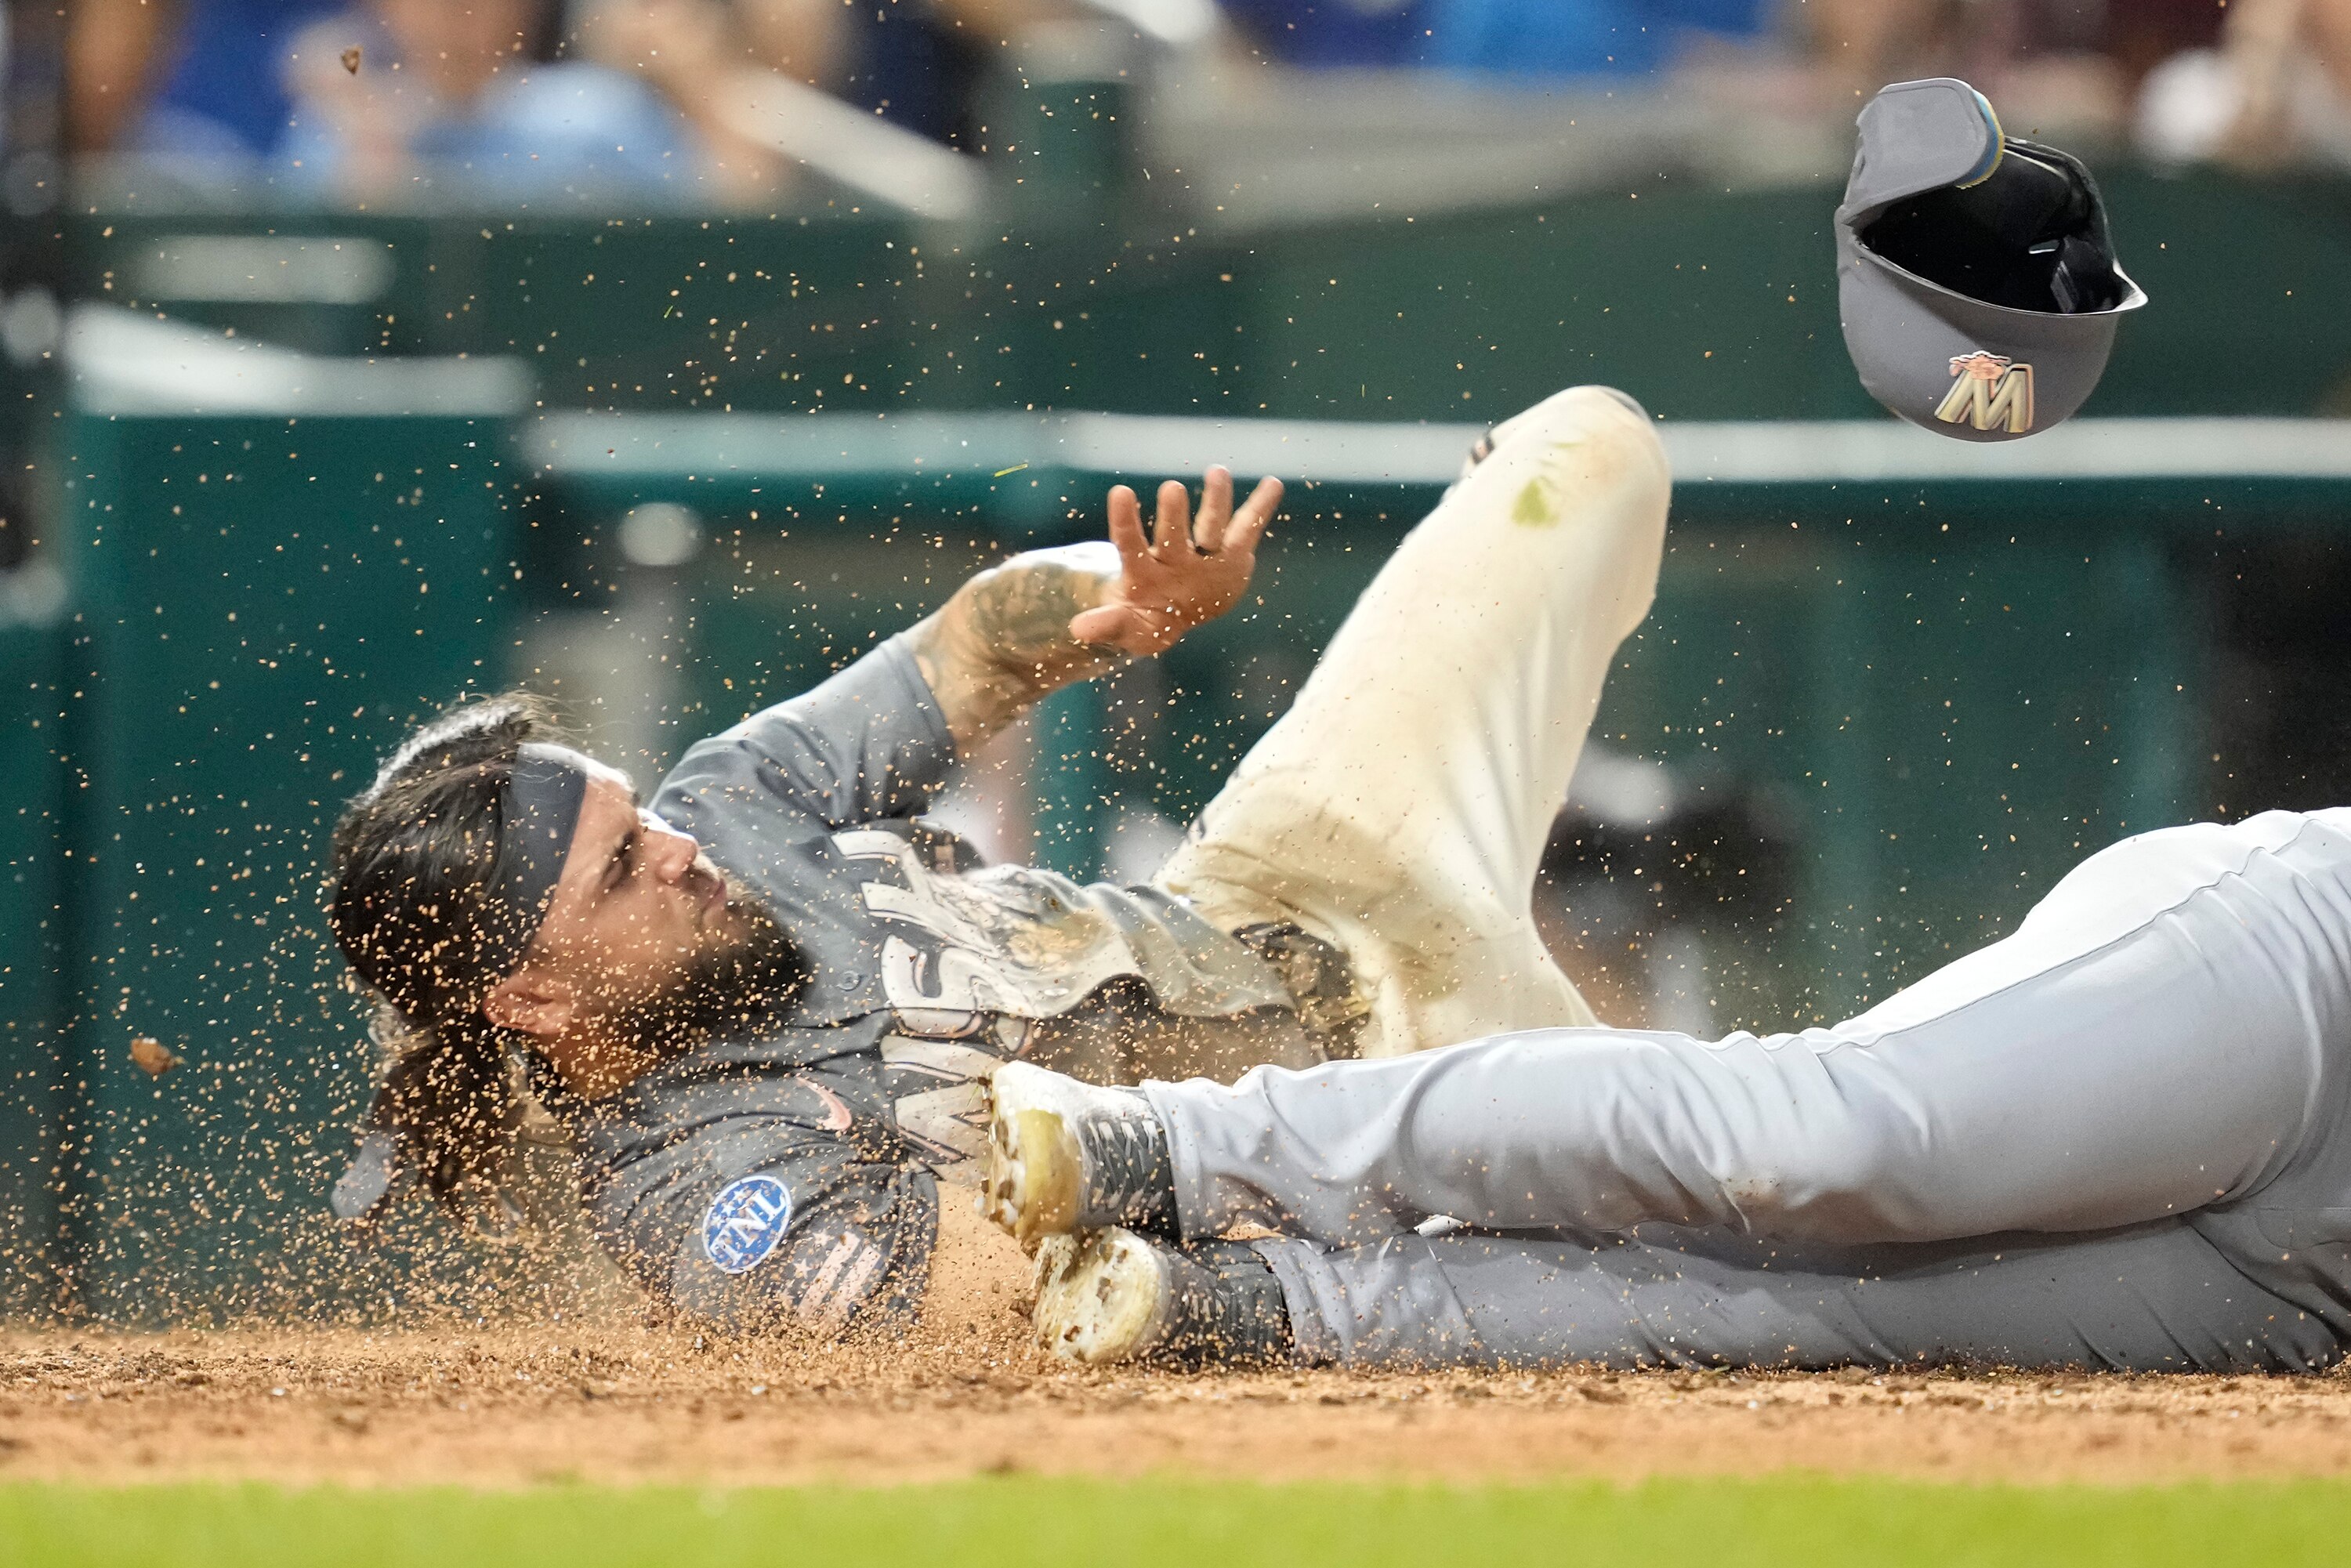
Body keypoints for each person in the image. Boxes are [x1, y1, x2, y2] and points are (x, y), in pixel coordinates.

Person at [324, 384, 1670, 1334]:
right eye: (618, 870)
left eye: (637, 820)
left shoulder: (729, 810)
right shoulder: (694, 1187)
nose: (672, 851)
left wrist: (1112, 596)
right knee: (1758, 1192)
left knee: (1586, 451)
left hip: (1285, 879)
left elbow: (970, 647)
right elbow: (1000, 1309)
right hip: (1399, 1121)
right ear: (531, 1000)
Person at [979, 799, 2351, 1374]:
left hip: (2316, 1281)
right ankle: (1181, 1142)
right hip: (2310, 995)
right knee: (1838, 1143)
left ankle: (1255, 1306)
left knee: (1792, 1313)